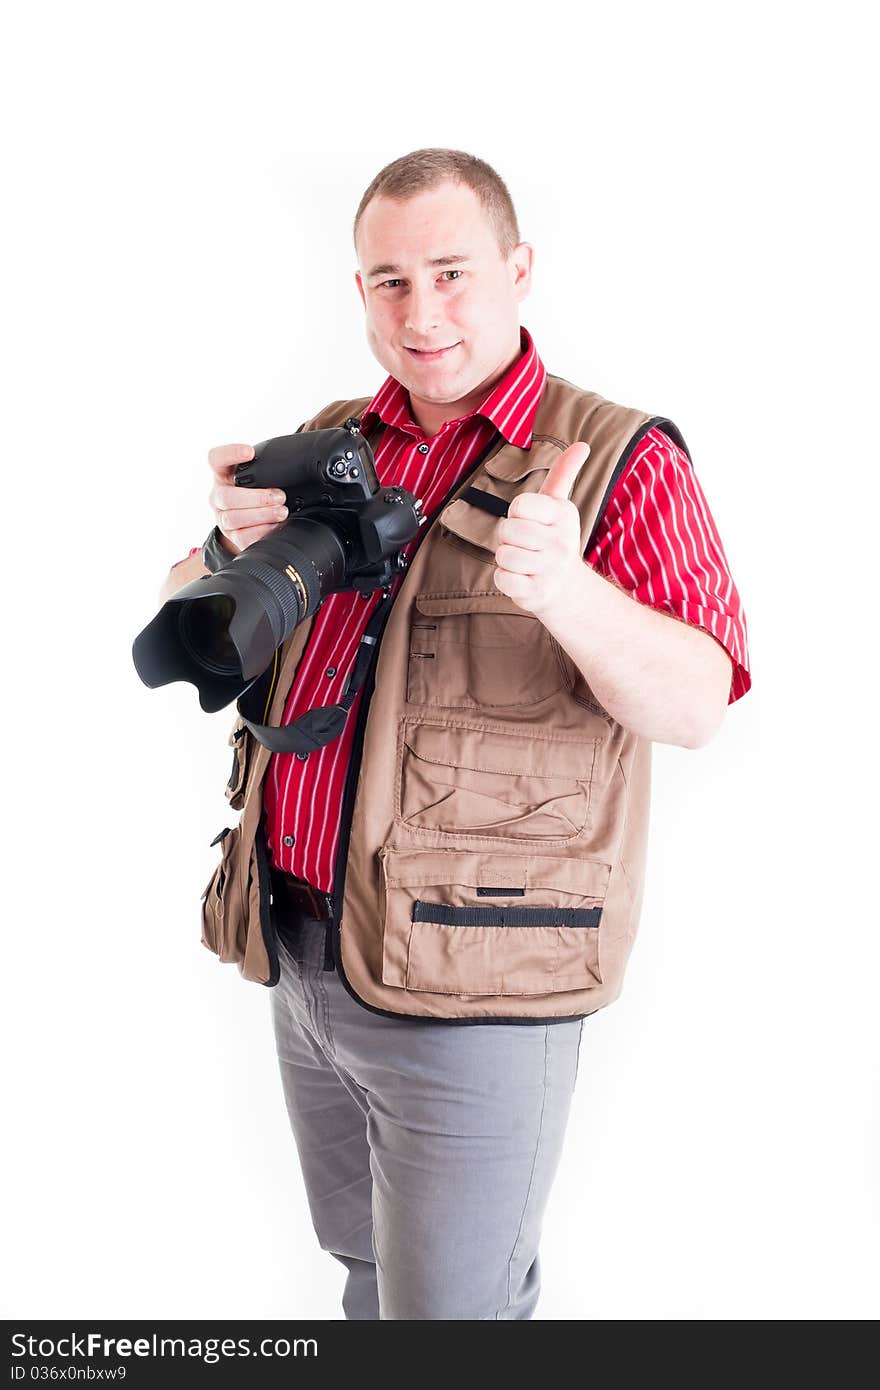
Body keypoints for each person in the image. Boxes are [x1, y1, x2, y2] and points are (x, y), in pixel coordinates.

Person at [160, 148, 751, 1320]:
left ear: (517, 269)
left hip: (476, 983)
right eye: (388, 280)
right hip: (302, 951)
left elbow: (694, 701)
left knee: (455, 1317)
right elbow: (205, 624)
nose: (421, 313)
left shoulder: (619, 457)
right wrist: (229, 557)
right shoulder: (336, 441)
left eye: (450, 271)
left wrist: (567, 590)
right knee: (369, 1278)